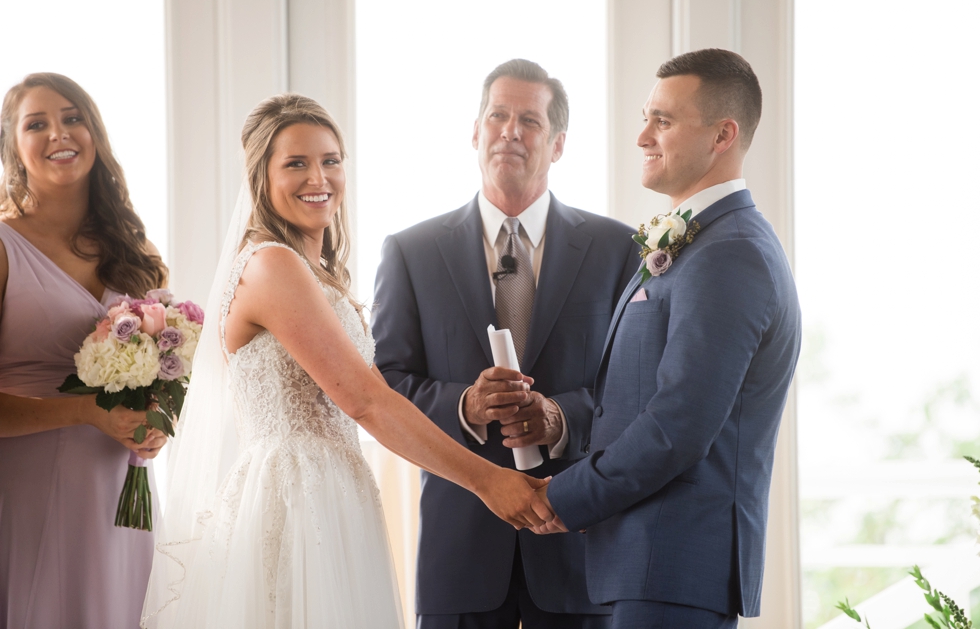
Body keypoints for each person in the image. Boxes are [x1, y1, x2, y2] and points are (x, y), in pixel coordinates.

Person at [141, 93, 553, 629]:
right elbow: (365, 400)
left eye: (331, 160)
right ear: (260, 177)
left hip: (335, 490)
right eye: (296, 163)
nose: (320, 177)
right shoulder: (272, 265)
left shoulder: (314, 272)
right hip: (295, 501)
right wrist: (487, 481)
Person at [532, 49, 803, 628]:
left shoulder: (731, 254)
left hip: (674, 568)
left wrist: (563, 495)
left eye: (663, 120)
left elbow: (677, 425)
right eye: (646, 117)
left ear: (722, 135)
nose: (642, 137)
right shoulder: (705, 243)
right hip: (646, 565)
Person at [372, 59, 639, 628]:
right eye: (497, 115)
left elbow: (637, 390)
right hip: (459, 559)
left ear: (559, 144)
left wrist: (560, 417)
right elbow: (385, 388)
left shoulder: (620, 250)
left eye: (530, 121)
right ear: (475, 132)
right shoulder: (410, 253)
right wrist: (464, 406)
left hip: (577, 557)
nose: (510, 131)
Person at [0, 73, 169, 628]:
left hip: (122, 491)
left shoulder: (137, 252)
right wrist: (80, 411)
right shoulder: (4, 248)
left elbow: (170, 365)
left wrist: (158, 421)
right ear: (13, 147)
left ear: (94, 133)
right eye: (37, 123)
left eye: (73, 117)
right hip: (25, 489)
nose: (59, 133)